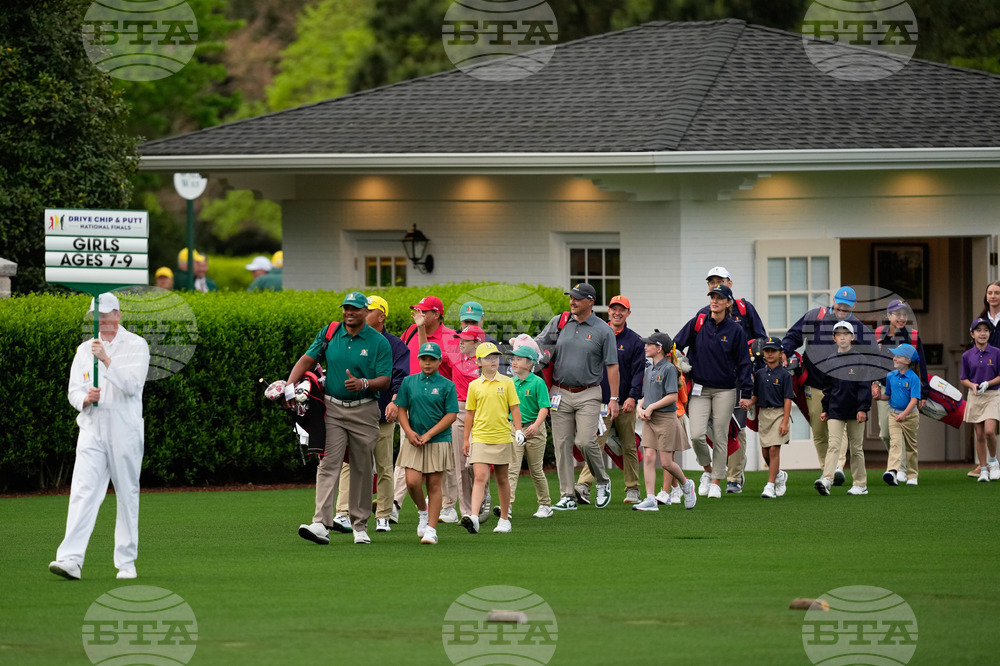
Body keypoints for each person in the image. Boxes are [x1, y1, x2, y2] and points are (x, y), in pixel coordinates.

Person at [49, 293, 150, 580]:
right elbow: (73, 390)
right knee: (82, 492)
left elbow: (132, 386)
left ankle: (126, 563)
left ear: (118, 315)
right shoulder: (84, 350)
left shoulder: (136, 345)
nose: (102, 324)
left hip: (124, 430)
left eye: (106, 318)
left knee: (127, 495)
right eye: (97, 319)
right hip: (92, 428)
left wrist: (106, 359)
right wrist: (85, 398)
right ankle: (70, 559)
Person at [292, 291, 392, 545]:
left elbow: (385, 379)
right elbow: (307, 358)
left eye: (355, 309)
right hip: (332, 409)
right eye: (346, 308)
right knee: (328, 464)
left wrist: (364, 383)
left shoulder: (378, 342)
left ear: (364, 312)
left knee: (360, 467)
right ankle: (320, 524)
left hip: (365, 409)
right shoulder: (330, 332)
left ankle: (360, 526)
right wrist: (288, 387)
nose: (349, 313)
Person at [534, 282, 620, 510]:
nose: (572, 301)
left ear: (590, 302)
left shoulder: (603, 330)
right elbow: (538, 345)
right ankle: (568, 495)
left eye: (577, 298)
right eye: (571, 297)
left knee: (584, 441)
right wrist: (522, 346)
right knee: (561, 444)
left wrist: (614, 398)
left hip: (589, 393)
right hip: (560, 392)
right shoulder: (559, 322)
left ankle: (602, 481)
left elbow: (612, 365)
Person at [329, 295, 410, 534]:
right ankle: (343, 513)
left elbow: (400, 378)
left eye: (369, 310)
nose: (363, 313)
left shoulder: (395, 345)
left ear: (381, 316)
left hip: (383, 414)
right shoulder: (350, 339)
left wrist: (395, 402)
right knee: (347, 464)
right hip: (352, 412)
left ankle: (383, 515)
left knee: (384, 465)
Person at [782, 286, 876, 485]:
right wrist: (784, 352)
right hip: (815, 383)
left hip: (844, 386)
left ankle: (838, 467)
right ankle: (828, 471)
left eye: (847, 307)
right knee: (818, 430)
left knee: (838, 426)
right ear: (834, 301)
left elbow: (873, 355)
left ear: (854, 306)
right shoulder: (816, 317)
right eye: (839, 305)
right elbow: (793, 336)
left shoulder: (858, 328)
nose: (842, 309)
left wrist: (874, 381)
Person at [674, 284, 753, 499]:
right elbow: (675, 346)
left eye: (720, 298)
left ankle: (717, 481)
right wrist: (679, 362)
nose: (715, 301)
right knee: (697, 435)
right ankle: (708, 472)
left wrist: (747, 393)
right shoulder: (698, 323)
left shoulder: (736, 330)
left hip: (726, 390)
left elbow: (745, 363)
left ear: (729, 303)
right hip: (699, 388)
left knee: (720, 435)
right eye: (712, 297)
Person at [700, 267, 767, 494]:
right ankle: (719, 468)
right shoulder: (703, 314)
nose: (715, 285)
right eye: (711, 282)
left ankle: (734, 477)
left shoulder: (745, 309)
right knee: (711, 428)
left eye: (720, 281)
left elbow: (761, 339)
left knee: (736, 428)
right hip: (712, 381)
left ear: (730, 282)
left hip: (741, 377)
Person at [574, 295, 645, 505]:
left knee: (629, 446)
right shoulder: (596, 334)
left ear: (628, 313)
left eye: (622, 310)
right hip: (599, 403)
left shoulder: (635, 341)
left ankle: (633, 489)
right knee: (595, 443)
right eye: (614, 309)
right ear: (609, 311)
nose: (617, 313)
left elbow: (638, 373)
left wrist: (633, 396)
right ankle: (583, 486)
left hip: (625, 404)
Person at [395, 342, 459, 545]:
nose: (428, 363)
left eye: (432, 359)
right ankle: (423, 511)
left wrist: (430, 434)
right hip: (413, 440)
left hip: (438, 440)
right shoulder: (408, 382)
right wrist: (408, 432)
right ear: (419, 360)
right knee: (412, 482)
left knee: (433, 484)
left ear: (439, 361)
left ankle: (431, 529)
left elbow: (451, 415)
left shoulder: (447, 385)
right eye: (424, 359)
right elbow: (401, 409)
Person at [632, 331, 697, 512]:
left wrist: (651, 408)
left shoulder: (669, 369)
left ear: (659, 348)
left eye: (649, 344)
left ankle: (686, 485)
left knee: (667, 462)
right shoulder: (649, 368)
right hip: (650, 420)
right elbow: (646, 396)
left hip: (666, 419)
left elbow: (672, 397)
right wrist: (640, 407)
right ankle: (651, 499)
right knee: (649, 458)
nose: (645, 347)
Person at [461, 343, 522, 534]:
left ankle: (504, 519)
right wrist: (466, 439)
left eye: (495, 357)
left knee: (502, 479)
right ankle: (474, 517)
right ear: (479, 362)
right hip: (479, 437)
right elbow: (469, 414)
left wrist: (518, 430)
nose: (493, 360)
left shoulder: (507, 382)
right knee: (480, 477)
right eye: (488, 357)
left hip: (502, 436)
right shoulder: (474, 386)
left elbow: (514, 408)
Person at [814, 321, 872, 496]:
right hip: (835, 410)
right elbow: (828, 388)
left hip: (856, 410)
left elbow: (864, 387)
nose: (843, 337)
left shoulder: (861, 359)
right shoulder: (830, 361)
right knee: (833, 445)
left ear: (852, 337)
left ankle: (860, 484)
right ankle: (827, 479)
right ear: (834, 338)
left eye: (846, 334)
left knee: (856, 447)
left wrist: (863, 408)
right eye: (839, 334)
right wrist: (825, 409)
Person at [873, 300, 928, 484]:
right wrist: (872, 383)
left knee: (906, 431)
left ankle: (900, 469)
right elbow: (871, 362)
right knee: (885, 434)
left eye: (905, 314)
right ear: (889, 316)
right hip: (884, 387)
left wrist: (924, 393)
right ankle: (899, 466)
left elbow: (922, 365)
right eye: (897, 314)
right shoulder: (879, 334)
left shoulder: (912, 336)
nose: (902, 318)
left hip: (907, 388)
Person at [442, 325, 486, 526]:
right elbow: (427, 353)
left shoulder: (487, 362)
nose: (460, 342)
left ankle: (483, 498)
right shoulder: (454, 356)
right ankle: (468, 512)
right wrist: (421, 328)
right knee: (461, 464)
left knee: (474, 464)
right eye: (459, 338)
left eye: (465, 339)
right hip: (460, 411)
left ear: (477, 343)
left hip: (483, 412)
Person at [504, 345, 553, 518]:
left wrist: (536, 425)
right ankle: (506, 506)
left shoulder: (538, 382)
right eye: (514, 359)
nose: (514, 362)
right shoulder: (510, 382)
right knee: (512, 469)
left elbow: (544, 408)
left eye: (518, 359)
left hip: (535, 430)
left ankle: (545, 505)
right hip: (515, 429)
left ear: (530, 362)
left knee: (536, 470)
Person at [873, 343, 921, 487]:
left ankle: (912, 475)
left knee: (910, 446)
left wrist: (905, 414)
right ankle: (892, 471)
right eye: (894, 356)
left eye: (898, 357)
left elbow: (914, 400)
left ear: (907, 361)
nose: (894, 359)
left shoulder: (913, 378)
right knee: (895, 443)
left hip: (910, 416)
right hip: (893, 415)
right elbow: (888, 395)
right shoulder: (890, 376)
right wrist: (879, 397)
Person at [751, 338, 793, 499]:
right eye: (767, 351)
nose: (769, 354)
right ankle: (779, 475)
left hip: (779, 413)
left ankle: (770, 486)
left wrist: (785, 422)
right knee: (765, 452)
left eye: (773, 351)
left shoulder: (785, 375)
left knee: (774, 449)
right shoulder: (760, 374)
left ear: (780, 353)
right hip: (764, 415)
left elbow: (787, 399)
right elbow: (756, 396)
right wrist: (749, 402)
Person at [960, 318, 1000, 483]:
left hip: (992, 395)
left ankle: (993, 461)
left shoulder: (997, 352)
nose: (983, 333)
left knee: (990, 431)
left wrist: (988, 383)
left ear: (989, 333)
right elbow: (964, 378)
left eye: (986, 330)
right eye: (979, 330)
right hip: (975, 396)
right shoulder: (967, 355)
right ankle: (983, 469)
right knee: (979, 434)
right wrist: (973, 385)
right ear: (972, 334)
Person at [973, 283, 1000, 478]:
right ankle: (984, 465)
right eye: (990, 292)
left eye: (997, 293)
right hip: (986, 379)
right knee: (983, 427)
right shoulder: (980, 321)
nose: (993, 296)